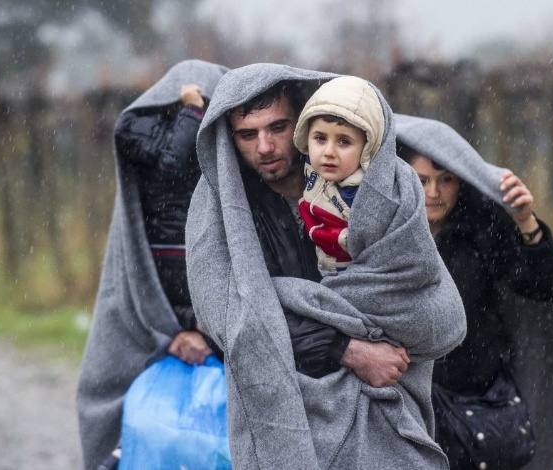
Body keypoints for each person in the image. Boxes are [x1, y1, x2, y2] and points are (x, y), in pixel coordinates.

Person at [185, 63, 467, 469]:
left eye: (277, 128)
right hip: (287, 412)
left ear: (301, 121)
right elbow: (235, 321)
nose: (264, 146)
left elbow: (425, 300)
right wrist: (345, 348)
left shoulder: (371, 189)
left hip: (387, 402)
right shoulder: (217, 210)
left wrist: (364, 325)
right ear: (230, 138)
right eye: (248, 134)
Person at [394, 113, 553, 470]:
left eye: (446, 180)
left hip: (476, 405)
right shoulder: (383, 235)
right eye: (422, 179)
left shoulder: (483, 232)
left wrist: (526, 221)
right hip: (405, 401)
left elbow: (548, 285)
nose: (433, 193)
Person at [76, 59, 229, 470]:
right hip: (161, 270)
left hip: (204, 292)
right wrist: (194, 110)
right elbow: (173, 165)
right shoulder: (140, 132)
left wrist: (205, 331)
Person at [293, 75, 385, 275]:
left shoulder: (369, 195)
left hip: (355, 277)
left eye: (344, 141)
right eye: (320, 138)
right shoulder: (308, 162)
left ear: (367, 147)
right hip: (320, 270)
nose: (328, 152)